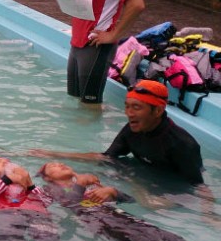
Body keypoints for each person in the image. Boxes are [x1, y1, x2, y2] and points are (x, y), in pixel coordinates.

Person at [39, 161, 221, 241]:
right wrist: (79, 183)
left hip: (122, 216)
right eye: (53, 166)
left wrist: (113, 191)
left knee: (170, 238)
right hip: (100, 221)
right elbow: (71, 203)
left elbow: (131, 201)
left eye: (61, 162)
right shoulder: (52, 189)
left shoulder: (91, 186)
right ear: (47, 178)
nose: (60, 164)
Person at [30, 80, 207, 188]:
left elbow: (198, 187)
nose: (129, 113)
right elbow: (106, 157)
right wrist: (52, 154)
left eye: (136, 108)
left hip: (171, 184)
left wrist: (209, 215)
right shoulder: (132, 129)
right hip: (141, 173)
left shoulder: (182, 144)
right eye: (127, 106)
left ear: (158, 111)